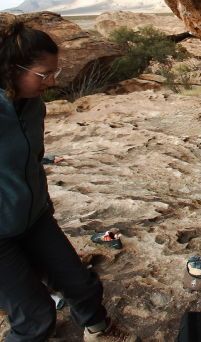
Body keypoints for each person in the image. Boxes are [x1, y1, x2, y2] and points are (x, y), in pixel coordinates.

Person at [0, 21, 138, 341]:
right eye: (43, 74)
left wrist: (41, 202)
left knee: (81, 284)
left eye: (54, 73)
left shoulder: (34, 107)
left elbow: (33, 160)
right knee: (35, 318)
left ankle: (98, 331)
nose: (51, 81)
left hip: (35, 217)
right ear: (12, 69)